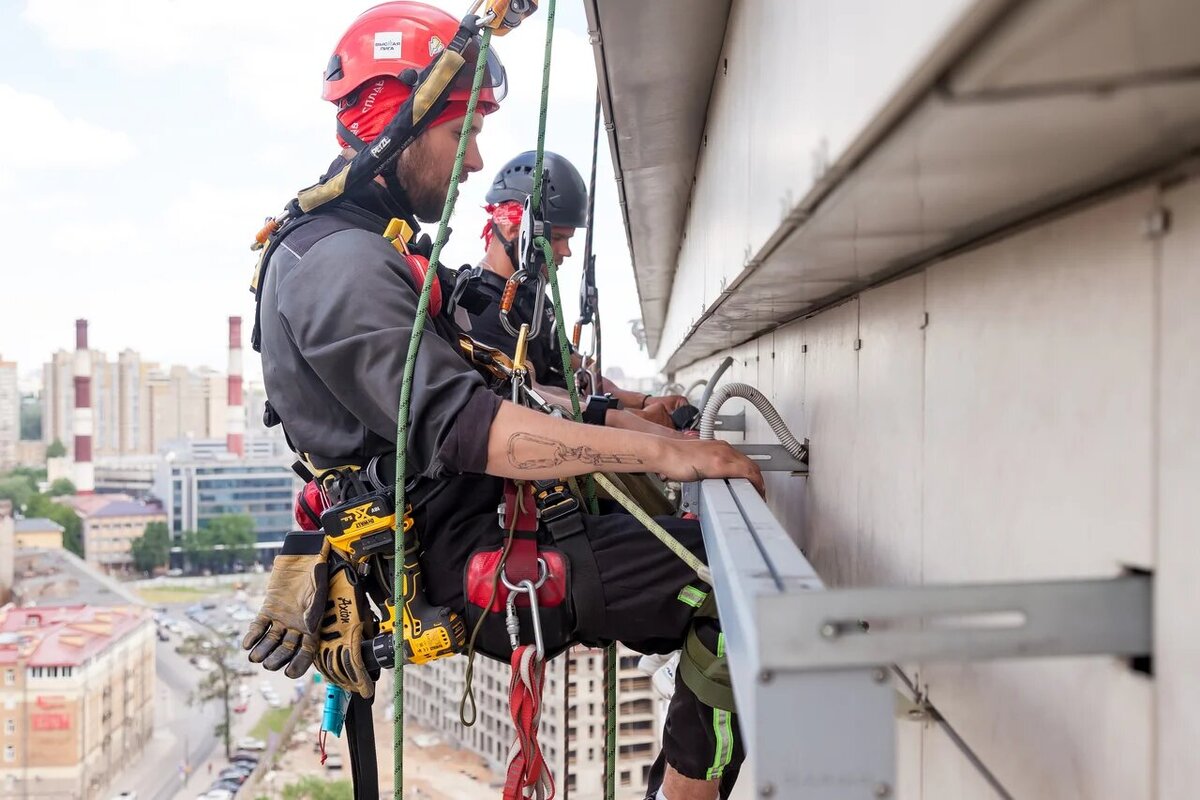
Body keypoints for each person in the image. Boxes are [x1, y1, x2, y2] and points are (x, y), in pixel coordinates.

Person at [242, 4, 759, 799]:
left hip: (481, 518)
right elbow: (475, 427)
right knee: (728, 588)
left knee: (701, 556)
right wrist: (664, 450)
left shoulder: (373, 252)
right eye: (463, 134)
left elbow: (507, 386)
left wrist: (622, 420)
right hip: (462, 555)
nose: (476, 161)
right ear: (398, 122)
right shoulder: (336, 269)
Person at [452, 150, 689, 429]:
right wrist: (631, 419)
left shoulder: (533, 299)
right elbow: (530, 396)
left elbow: (577, 366)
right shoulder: (477, 308)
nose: (566, 251)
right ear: (516, 229)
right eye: (557, 238)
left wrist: (642, 400)